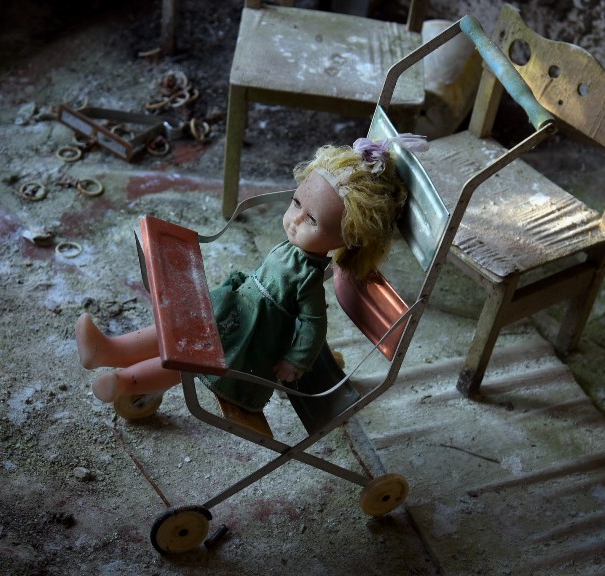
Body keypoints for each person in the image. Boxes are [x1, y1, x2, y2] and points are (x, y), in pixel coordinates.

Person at [75, 134, 427, 412]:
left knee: (191, 354)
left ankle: (127, 381)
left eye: (312, 220)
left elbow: (314, 325)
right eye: (296, 203)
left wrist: (295, 361)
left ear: (348, 238)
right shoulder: (292, 250)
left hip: (248, 337)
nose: (295, 220)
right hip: (237, 310)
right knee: (181, 325)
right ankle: (109, 350)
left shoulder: (308, 278)